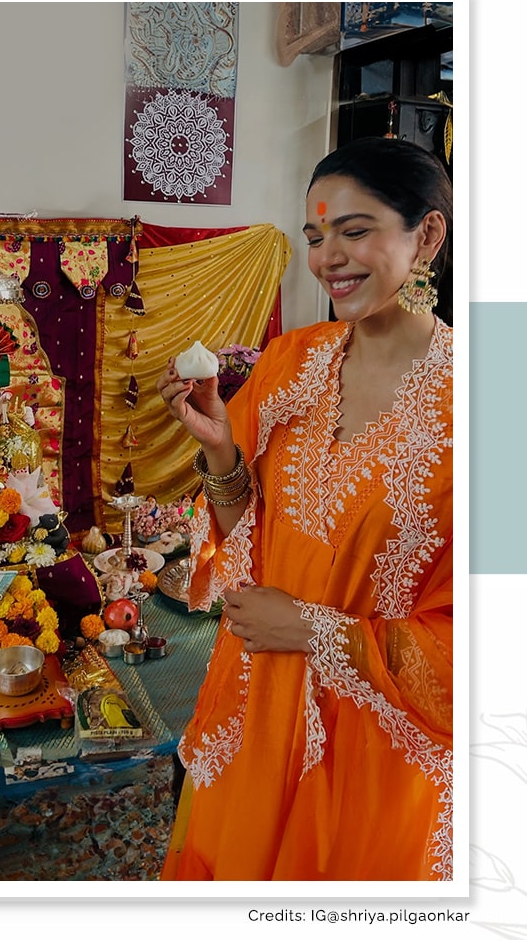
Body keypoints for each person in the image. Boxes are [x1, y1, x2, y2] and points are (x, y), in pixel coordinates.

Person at [156, 136, 453, 881]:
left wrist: (321, 631)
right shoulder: (291, 363)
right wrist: (222, 452)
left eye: (355, 231)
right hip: (256, 711)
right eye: (316, 236)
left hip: (373, 751)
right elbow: (244, 535)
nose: (329, 259)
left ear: (427, 234)